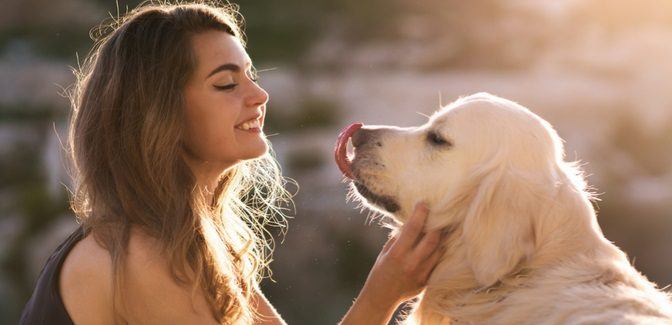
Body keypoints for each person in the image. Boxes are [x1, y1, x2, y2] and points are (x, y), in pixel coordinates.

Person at [19, 2, 443, 324]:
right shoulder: (139, 256)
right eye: (226, 83)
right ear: (158, 114)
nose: (260, 95)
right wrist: (383, 294)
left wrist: (390, 283)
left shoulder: (195, 239)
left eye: (250, 74)